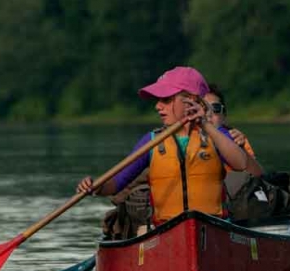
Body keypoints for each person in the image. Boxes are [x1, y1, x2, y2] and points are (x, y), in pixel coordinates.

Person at [76, 66, 249, 225]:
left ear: (191, 100)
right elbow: (116, 183)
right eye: (158, 100)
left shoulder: (216, 135)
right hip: (167, 229)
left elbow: (241, 163)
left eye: (166, 100)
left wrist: (205, 124)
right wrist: (96, 186)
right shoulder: (151, 141)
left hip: (214, 226)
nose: (158, 106)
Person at [203, 84, 263, 177]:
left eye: (216, 108)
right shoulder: (186, 138)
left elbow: (258, 175)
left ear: (224, 116)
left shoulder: (235, 137)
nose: (209, 114)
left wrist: (242, 150)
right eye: (203, 108)